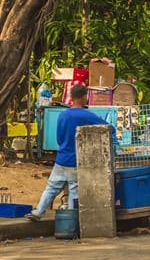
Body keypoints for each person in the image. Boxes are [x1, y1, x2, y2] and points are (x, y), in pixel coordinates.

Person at [27, 84, 110, 220]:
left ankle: (38, 212)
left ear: (71, 97)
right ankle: (71, 220)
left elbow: (59, 138)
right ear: (84, 97)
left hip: (61, 158)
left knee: (51, 188)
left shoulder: (62, 115)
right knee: (74, 191)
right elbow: (108, 128)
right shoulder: (87, 115)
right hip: (76, 160)